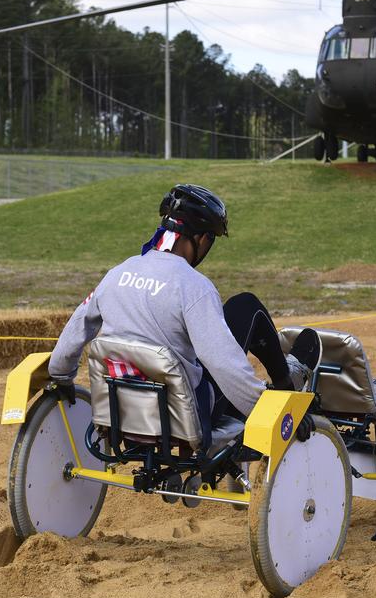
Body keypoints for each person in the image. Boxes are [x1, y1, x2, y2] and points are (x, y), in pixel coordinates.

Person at [47, 184, 309, 447]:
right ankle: (286, 383)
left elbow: (77, 328)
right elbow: (222, 363)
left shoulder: (116, 274)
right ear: (202, 239)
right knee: (246, 306)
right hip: (185, 417)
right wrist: (271, 411)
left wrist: (61, 374)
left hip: (121, 413)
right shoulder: (194, 287)